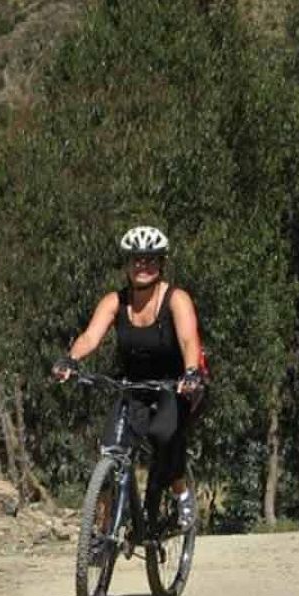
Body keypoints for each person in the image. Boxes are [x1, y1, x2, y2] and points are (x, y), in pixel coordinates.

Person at [52, 225, 206, 528]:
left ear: (160, 264)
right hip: (132, 387)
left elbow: (189, 340)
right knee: (111, 450)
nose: (143, 266)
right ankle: (101, 532)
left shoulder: (176, 299)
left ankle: (181, 494)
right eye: (137, 260)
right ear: (127, 264)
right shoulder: (115, 302)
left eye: (150, 260)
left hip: (173, 387)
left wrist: (190, 373)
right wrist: (70, 359)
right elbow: (90, 337)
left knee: (164, 434)